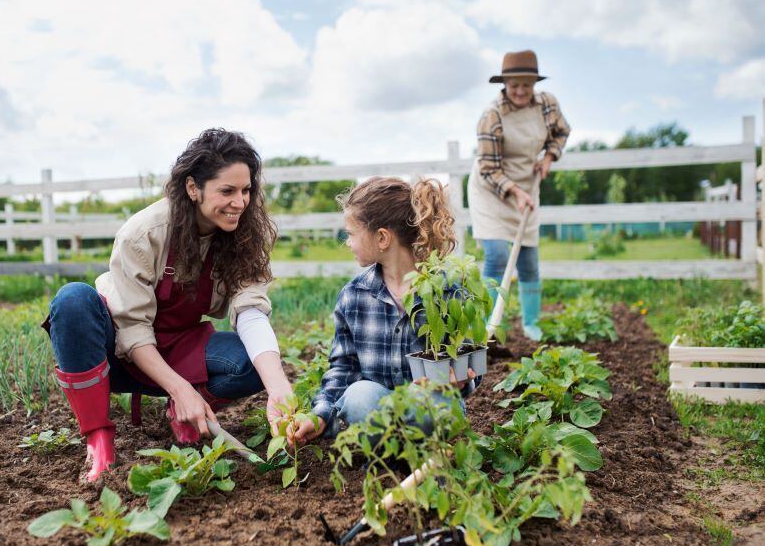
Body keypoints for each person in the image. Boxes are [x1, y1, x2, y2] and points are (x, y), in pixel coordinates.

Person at [44, 129, 293, 482]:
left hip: (179, 344)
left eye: (246, 190)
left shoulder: (246, 234)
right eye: (227, 191)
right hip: (116, 349)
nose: (240, 202)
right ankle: (99, 440)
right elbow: (132, 330)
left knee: (256, 363)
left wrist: (278, 386)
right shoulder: (144, 232)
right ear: (193, 188)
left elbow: (250, 309)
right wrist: (180, 387)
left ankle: (184, 414)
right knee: (72, 300)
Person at [293, 177, 479, 445]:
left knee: (432, 403)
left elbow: (469, 354)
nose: (347, 242)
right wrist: (320, 414)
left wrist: (459, 374)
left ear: (382, 238)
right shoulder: (354, 295)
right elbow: (343, 366)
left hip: (429, 404)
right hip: (374, 405)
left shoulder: (446, 289)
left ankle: (407, 446)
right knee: (359, 397)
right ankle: (393, 448)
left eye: (351, 234)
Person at [468, 50, 571, 340]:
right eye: (515, 85)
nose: (521, 91)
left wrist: (549, 157)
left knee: (528, 259)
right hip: (491, 190)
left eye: (527, 84)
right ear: (504, 84)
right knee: (498, 255)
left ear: (534, 83)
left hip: (528, 183)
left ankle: (531, 324)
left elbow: (562, 132)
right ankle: (487, 328)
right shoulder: (492, 116)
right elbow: (488, 168)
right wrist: (514, 192)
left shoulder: (547, 104)